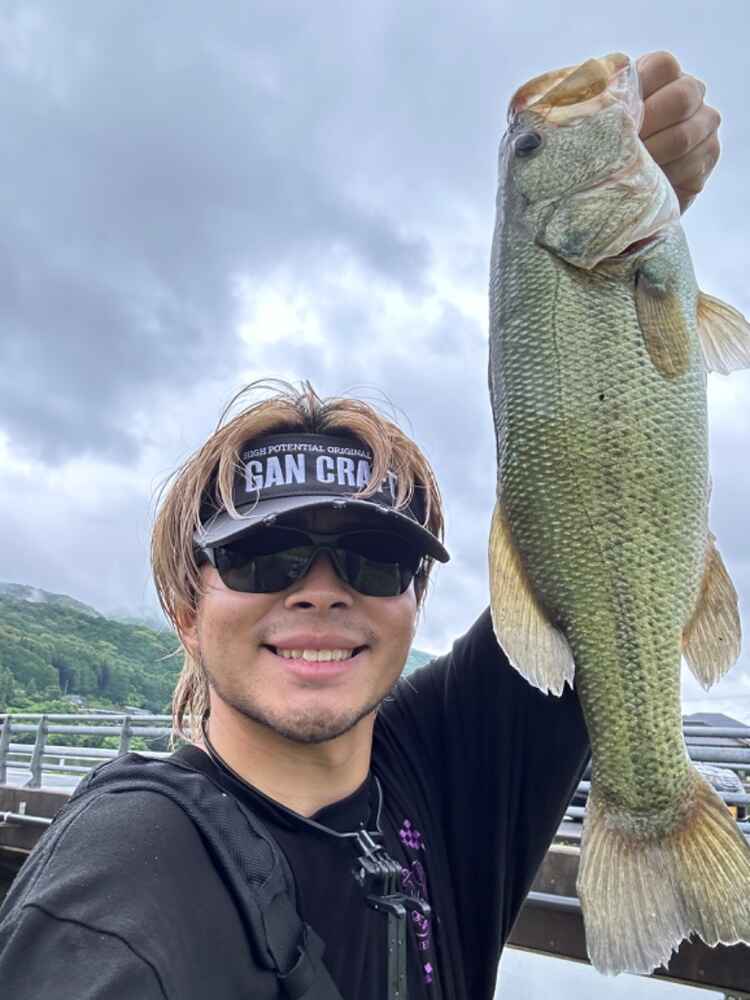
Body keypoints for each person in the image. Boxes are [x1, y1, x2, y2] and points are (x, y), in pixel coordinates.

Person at [0, 51, 722, 1000]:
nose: (321, 589)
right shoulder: (125, 871)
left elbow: (595, 513)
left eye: (377, 557)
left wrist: (627, 203)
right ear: (185, 604)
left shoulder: (447, 770)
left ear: (416, 599)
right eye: (262, 554)